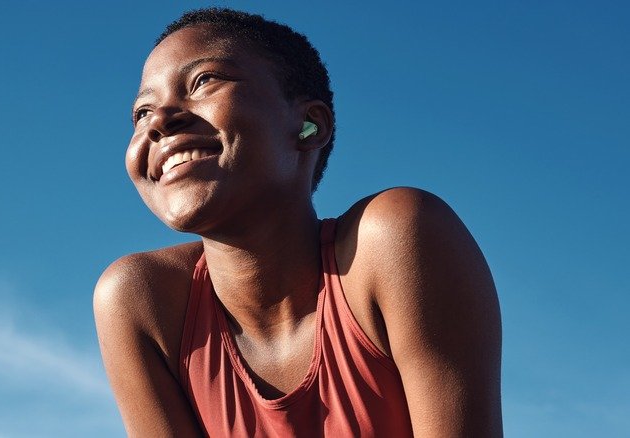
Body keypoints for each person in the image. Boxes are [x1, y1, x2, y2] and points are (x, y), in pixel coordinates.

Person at [94, 7, 502, 437]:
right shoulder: (143, 303)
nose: (159, 121)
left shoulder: (393, 241)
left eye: (203, 81)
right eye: (142, 112)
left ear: (309, 126)